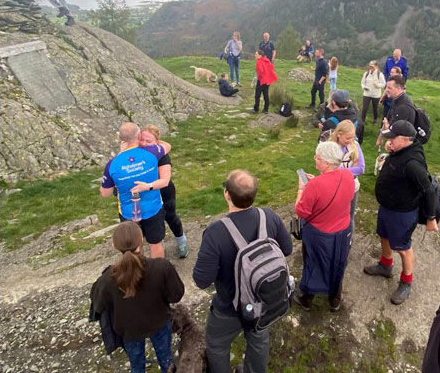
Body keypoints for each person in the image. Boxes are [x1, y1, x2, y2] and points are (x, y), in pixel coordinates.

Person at [193, 170, 293, 373]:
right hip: (262, 301)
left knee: (217, 345)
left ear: (227, 195)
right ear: (254, 195)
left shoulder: (215, 232)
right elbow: (288, 249)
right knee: (259, 340)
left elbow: (202, 281)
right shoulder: (269, 217)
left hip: (227, 308)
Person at [92, 221, 185, 373]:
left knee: (136, 366)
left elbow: (99, 306)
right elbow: (176, 296)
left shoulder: (106, 279)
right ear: (142, 240)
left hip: (129, 331)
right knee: (166, 360)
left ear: (114, 246)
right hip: (159, 323)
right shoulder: (162, 266)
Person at [364, 121, 438, 305]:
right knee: (384, 236)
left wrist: (431, 218)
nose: (389, 139)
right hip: (388, 207)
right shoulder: (403, 148)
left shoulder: (413, 164)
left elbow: (428, 190)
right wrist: (392, 148)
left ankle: (406, 282)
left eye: (392, 137)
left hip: (402, 213)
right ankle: (385, 265)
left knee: (403, 249)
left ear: (405, 140)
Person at [293, 142, 357, 312]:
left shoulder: (314, 186)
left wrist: (301, 188)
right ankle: (334, 299)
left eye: (317, 157)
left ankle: (306, 298)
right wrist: (318, 180)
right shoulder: (348, 175)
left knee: (313, 262)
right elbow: (346, 195)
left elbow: (301, 211)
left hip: (319, 234)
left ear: (327, 163)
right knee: (337, 263)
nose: (315, 158)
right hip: (343, 231)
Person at [102, 123, 171, 258]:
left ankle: (139, 273)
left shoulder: (112, 164)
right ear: (139, 136)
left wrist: (120, 154)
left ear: (120, 139)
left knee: (134, 246)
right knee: (155, 243)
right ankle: (157, 273)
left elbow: (105, 193)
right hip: (153, 208)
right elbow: (167, 146)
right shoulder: (151, 152)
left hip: (128, 211)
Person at [139, 126, 188, 258]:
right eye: (141, 140)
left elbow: (165, 179)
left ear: (157, 142)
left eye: (148, 141)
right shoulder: (137, 154)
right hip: (146, 194)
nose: (144, 144)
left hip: (164, 192)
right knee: (152, 220)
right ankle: (159, 244)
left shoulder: (161, 155)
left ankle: (181, 241)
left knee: (170, 216)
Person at [376, 74, 419, 149]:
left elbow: (397, 133)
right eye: (386, 87)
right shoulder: (395, 100)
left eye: (389, 88)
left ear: (398, 88)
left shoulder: (404, 107)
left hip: (403, 147)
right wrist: (380, 139)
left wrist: (387, 127)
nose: (386, 90)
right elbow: (386, 120)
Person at [361, 61, 385, 126]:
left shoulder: (380, 74)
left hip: (376, 95)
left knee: (375, 108)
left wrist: (377, 85)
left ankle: (375, 120)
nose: (371, 67)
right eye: (370, 66)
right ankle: (362, 121)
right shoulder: (366, 73)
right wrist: (364, 87)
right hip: (367, 93)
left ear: (376, 66)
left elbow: (383, 84)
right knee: (364, 108)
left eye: (372, 66)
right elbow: (362, 82)